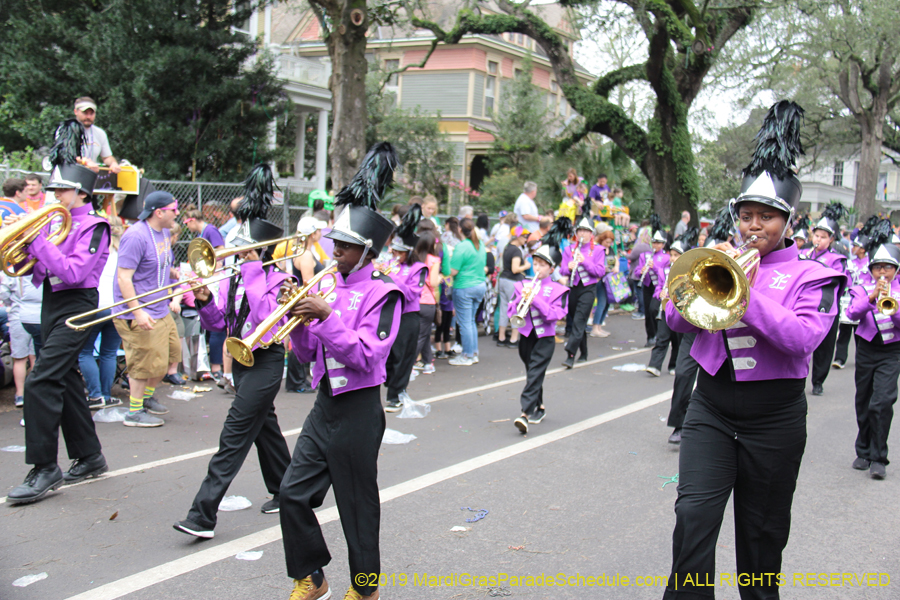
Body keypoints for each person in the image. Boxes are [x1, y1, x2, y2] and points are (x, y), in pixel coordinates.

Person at [661, 100, 846, 599]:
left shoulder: (814, 274)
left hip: (775, 419)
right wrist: (695, 283)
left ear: (789, 220)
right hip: (711, 408)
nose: (754, 226)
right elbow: (676, 322)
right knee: (692, 517)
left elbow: (802, 339)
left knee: (762, 540)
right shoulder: (717, 259)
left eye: (767, 217)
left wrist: (744, 292)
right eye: (746, 216)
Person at [278, 143, 401, 600]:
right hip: (325, 404)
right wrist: (297, 321)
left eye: (345, 247)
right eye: (335, 244)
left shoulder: (385, 293)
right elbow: (308, 355)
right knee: (291, 493)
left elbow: (367, 357)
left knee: (357, 507)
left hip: (359, 410)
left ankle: (365, 589)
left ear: (367, 251)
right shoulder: (328, 284)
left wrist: (326, 316)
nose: (335, 252)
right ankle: (312, 577)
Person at [174, 165, 294, 538]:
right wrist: (204, 298)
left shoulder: (281, 280)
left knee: (235, 434)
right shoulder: (233, 278)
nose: (237, 254)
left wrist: (254, 271)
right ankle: (288, 491)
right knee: (265, 429)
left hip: (266, 361)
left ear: (260, 251)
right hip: (241, 362)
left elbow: (266, 321)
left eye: (245, 250)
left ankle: (202, 515)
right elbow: (218, 324)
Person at [7, 120, 111, 504]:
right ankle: (90, 455)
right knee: (65, 380)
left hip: (78, 305)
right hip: (51, 303)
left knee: (41, 380)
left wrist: (37, 241)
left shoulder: (95, 226)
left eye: (60, 190)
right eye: (52, 189)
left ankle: (45, 467)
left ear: (80, 192)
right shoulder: (54, 222)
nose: (53, 196)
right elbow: (39, 271)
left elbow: (73, 272)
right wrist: (24, 245)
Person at [114, 190, 182, 427]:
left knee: (169, 357)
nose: (178, 213)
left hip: (159, 306)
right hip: (139, 310)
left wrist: (173, 274)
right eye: (174, 209)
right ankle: (134, 412)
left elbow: (158, 264)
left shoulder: (164, 232)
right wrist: (137, 312)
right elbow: (124, 278)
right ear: (159, 212)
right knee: (143, 363)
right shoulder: (135, 236)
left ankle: (145, 398)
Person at [846, 220, 900, 480]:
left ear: (896, 269)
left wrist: (892, 307)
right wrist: (871, 298)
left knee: (882, 402)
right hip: (867, 349)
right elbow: (852, 313)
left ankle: (879, 457)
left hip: (892, 351)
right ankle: (863, 451)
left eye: (887, 267)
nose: (882, 272)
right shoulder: (861, 288)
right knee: (864, 401)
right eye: (878, 267)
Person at [509, 220, 571, 434]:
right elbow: (510, 310)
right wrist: (520, 301)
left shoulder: (558, 290)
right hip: (526, 335)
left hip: (545, 338)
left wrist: (535, 300)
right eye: (535, 264)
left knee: (535, 371)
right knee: (532, 371)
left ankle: (524, 414)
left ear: (552, 269)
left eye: (542, 265)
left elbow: (555, 315)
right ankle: (540, 406)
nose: (538, 268)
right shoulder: (522, 285)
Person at [383, 205, 427, 411]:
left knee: (403, 357)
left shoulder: (419, 268)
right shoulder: (390, 264)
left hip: (408, 316)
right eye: (394, 251)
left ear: (409, 252)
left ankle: (395, 394)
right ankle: (392, 385)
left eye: (400, 252)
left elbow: (410, 294)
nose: (396, 255)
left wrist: (391, 277)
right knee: (387, 355)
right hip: (388, 314)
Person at [802, 202, 848, 396]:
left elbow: (835, 283)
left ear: (831, 239)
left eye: (823, 237)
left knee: (825, 346)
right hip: (804, 303)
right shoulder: (803, 254)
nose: (818, 240)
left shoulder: (836, 259)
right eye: (816, 236)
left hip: (826, 306)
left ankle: (818, 381)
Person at [79, 215, 124, 409]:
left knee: (84, 352)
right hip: (116, 307)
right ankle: (106, 394)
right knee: (109, 353)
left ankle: (95, 395)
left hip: (95, 305)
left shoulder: (95, 248)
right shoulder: (122, 251)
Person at [182, 204, 228, 386]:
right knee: (211, 324)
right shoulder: (203, 232)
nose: (187, 227)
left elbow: (220, 252)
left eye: (187, 223)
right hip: (209, 277)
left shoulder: (210, 230)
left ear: (193, 220)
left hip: (215, 278)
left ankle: (217, 367)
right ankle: (214, 365)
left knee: (218, 325)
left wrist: (211, 269)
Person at [644, 229, 698, 377]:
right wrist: (660, 293)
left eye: (676, 255)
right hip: (666, 309)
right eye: (671, 255)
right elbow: (658, 287)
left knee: (678, 340)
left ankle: (674, 364)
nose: (673, 258)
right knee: (662, 336)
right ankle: (654, 365)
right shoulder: (664, 271)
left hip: (680, 311)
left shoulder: (689, 274)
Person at [284, 216, 328, 394]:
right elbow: (309, 283)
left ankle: (300, 379)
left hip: (304, 301)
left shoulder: (302, 250)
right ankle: (297, 381)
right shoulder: (306, 254)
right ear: (312, 234)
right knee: (301, 342)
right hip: (306, 300)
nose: (320, 234)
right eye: (318, 231)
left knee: (302, 340)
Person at [560, 208, 606, 368]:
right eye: (580, 230)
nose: (583, 234)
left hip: (588, 289)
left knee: (579, 320)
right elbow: (562, 270)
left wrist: (585, 261)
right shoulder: (569, 249)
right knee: (576, 322)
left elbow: (600, 271)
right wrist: (568, 267)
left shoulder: (598, 250)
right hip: (573, 288)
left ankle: (570, 354)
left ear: (591, 233)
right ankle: (584, 352)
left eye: (586, 231)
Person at [833, 221, 875, 370]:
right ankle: (840, 358)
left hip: (863, 300)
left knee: (860, 333)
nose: (853, 248)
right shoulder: (850, 263)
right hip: (850, 299)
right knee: (844, 330)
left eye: (856, 246)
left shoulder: (871, 264)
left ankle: (862, 359)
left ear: (862, 249)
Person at [447, 217, 487, 366]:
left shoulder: (462, 246)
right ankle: (473, 353)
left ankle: (467, 355)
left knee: (465, 323)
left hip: (464, 287)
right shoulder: (479, 244)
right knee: (470, 322)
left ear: (459, 229)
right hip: (479, 285)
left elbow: (453, 271)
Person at [0, 272, 42, 410]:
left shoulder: (14, 272)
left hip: (18, 315)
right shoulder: (41, 268)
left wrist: (12, 302)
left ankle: (20, 394)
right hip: (39, 315)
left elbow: (4, 293)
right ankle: (37, 392)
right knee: (36, 357)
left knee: (19, 358)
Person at [634, 221, 669, 347]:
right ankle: (650, 336)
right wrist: (641, 271)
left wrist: (654, 268)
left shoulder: (666, 258)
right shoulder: (644, 255)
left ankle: (659, 334)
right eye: (654, 242)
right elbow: (637, 271)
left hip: (660, 287)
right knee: (648, 313)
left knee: (654, 310)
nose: (656, 245)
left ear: (663, 244)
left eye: (658, 243)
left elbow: (665, 272)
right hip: (648, 286)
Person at [497, 226, 530, 348]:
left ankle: (501, 337)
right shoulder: (516, 251)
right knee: (516, 308)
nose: (526, 239)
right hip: (513, 281)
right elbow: (515, 269)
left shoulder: (507, 247)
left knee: (504, 308)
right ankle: (513, 339)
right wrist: (526, 266)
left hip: (503, 279)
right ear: (518, 237)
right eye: (524, 237)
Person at [414, 229, 441, 375]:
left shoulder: (413, 259)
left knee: (423, 334)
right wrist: (440, 278)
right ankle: (409, 365)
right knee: (421, 335)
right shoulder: (434, 260)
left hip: (413, 300)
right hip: (427, 301)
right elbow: (433, 282)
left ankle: (427, 362)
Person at [73, 97, 121, 173]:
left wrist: (113, 163)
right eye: (85, 113)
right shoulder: (66, 131)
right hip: (68, 177)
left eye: (91, 113)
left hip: (89, 177)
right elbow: (65, 155)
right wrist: (85, 162)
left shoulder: (100, 133)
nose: (88, 117)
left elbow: (106, 157)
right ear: (76, 112)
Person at [591, 225, 616, 338]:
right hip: (601, 279)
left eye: (610, 242)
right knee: (601, 302)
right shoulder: (598, 249)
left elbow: (615, 258)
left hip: (609, 279)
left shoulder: (610, 249)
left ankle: (599, 326)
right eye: (607, 242)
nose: (609, 244)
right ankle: (595, 327)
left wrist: (616, 266)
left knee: (607, 303)